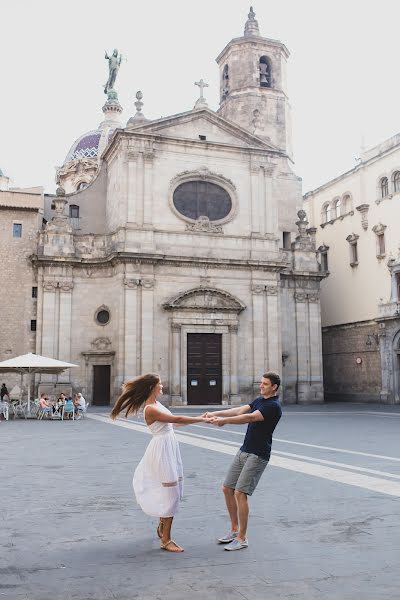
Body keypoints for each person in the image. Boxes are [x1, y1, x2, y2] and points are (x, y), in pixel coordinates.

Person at [110, 373, 212, 553]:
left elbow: (174, 424)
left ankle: (162, 525)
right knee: (170, 492)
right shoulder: (150, 409)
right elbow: (177, 419)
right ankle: (166, 539)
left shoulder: (157, 404)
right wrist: (202, 419)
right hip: (162, 451)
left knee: (172, 490)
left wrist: (200, 417)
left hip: (169, 447)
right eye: (160, 384)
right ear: (152, 387)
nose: (163, 386)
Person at [206, 372, 282, 551]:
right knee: (227, 488)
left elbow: (249, 417)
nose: (261, 386)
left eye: (265, 384)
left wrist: (224, 422)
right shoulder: (259, 400)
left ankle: (242, 538)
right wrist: (215, 413)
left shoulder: (273, 406)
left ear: (274, 387)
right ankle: (234, 530)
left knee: (240, 493)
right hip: (244, 450)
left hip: (258, 454)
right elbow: (240, 410)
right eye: (261, 383)